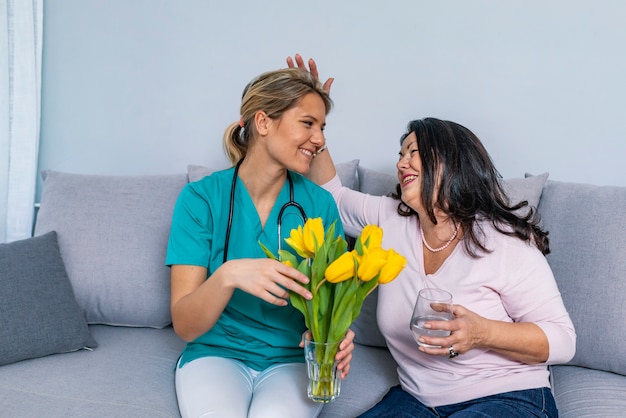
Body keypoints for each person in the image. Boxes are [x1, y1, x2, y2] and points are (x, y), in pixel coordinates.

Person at [290, 55, 576, 418]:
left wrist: (482, 332)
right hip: (416, 401)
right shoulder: (388, 219)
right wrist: (312, 111)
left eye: (414, 152)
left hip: (506, 396)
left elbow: (564, 341)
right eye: (400, 154)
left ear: (451, 162)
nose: (400, 162)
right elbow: (331, 197)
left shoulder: (503, 242)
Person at [166, 67, 355, 418]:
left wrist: (338, 335)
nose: (319, 140)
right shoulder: (201, 200)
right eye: (308, 124)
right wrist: (228, 274)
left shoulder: (319, 205)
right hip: (216, 354)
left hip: (293, 361)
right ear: (264, 123)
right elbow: (185, 324)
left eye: (322, 127)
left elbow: (331, 305)